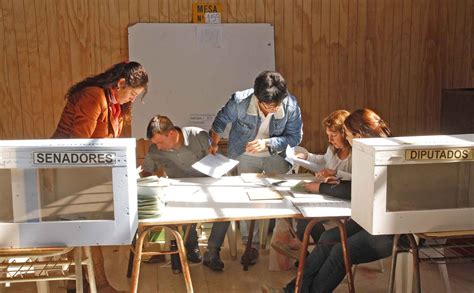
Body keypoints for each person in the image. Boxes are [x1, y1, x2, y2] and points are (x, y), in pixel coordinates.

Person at [267, 108, 394, 293]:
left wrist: (321, 187)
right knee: (327, 238)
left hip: (387, 228)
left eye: (349, 135)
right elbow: (359, 187)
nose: (349, 140)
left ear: (359, 135)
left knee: (338, 251)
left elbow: (356, 189)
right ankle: (292, 290)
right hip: (371, 220)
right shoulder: (369, 150)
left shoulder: (379, 153)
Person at [52, 61, 148, 293]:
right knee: (87, 230)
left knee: (82, 231)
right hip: (69, 172)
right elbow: (79, 144)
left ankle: (75, 284)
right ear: (121, 83)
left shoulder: (116, 104)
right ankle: (100, 285)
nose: (133, 99)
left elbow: (105, 145)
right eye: (133, 93)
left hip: (84, 175)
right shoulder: (93, 96)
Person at [209, 70, 303, 266]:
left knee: (282, 198)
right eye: (267, 106)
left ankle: (283, 242)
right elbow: (220, 121)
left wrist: (269, 143)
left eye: (276, 106)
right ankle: (249, 245)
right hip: (245, 155)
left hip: (275, 155)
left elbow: (295, 138)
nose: (272, 110)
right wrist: (214, 144)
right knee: (247, 200)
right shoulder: (240, 101)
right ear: (256, 97)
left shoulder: (291, 105)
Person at [141, 115, 231, 271]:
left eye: (160, 142)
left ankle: (213, 252)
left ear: (172, 134)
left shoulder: (199, 136)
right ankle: (191, 247)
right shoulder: (155, 150)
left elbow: (216, 159)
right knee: (179, 212)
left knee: (227, 210)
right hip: (180, 191)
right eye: (155, 143)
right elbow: (147, 171)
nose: (159, 147)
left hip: (208, 186)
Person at [272, 110, 351, 263]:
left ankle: (305, 250)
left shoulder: (356, 154)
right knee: (303, 212)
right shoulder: (333, 149)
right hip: (328, 194)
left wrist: (335, 173)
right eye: (328, 135)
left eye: (333, 135)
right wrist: (307, 157)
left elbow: (359, 180)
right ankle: (312, 252)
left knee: (307, 217)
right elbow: (323, 160)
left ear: (345, 133)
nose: (330, 139)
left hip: (344, 200)